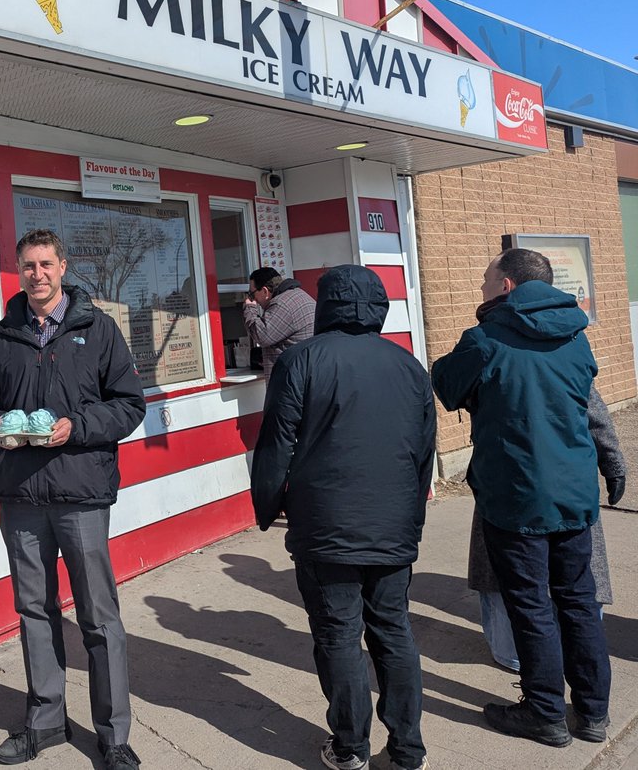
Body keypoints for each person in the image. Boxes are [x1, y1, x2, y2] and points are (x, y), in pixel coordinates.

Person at [0, 228, 146, 770]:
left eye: (46, 264)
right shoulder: (1, 335)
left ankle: (113, 736)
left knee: (98, 616)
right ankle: (45, 721)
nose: (37, 274)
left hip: (81, 493)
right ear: (18, 271)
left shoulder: (98, 330)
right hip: (21, 496)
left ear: (63, 267)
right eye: (28, 266)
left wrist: (80, 426)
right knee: (34, 611)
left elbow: (130, 405)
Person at [251, 265, 435, 770]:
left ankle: (350, 748)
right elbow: (424, 455)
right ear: (378, 308)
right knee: (393, 630)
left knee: (337, 635)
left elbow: (275, 445)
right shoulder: (409, 366)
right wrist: (410, 517)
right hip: (392, 525)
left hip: (325, 526)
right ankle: (407, 751)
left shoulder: (301, 360)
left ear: (327, 304)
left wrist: (267, 506)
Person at [432, 248, 611, 747]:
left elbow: (444, 383)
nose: (482, 288)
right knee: (578, 601)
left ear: (507, 285)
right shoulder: (576, 336)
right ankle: (593, 713)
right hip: (575, 491)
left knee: (532, 606)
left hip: (516, 496)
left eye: (487, 280)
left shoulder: (485, 339)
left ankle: (545, 713)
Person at [471, 385, 627, 672]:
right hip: (563, 484)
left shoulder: (489, 350)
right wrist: (613, 463)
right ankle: (579, 696)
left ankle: (534, 676)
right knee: (572, 588)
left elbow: (450, 385)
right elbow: (596, 416)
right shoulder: (567, 350)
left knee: (526, 588)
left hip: (513, 486)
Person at [243, 266, 316, 378]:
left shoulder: (282, 304)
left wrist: (249, 307)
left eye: (252, 294)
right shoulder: (300, 295)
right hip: (307, 371)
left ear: (265, 291)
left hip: (292, 378)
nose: (254, 299)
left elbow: (262, 335)